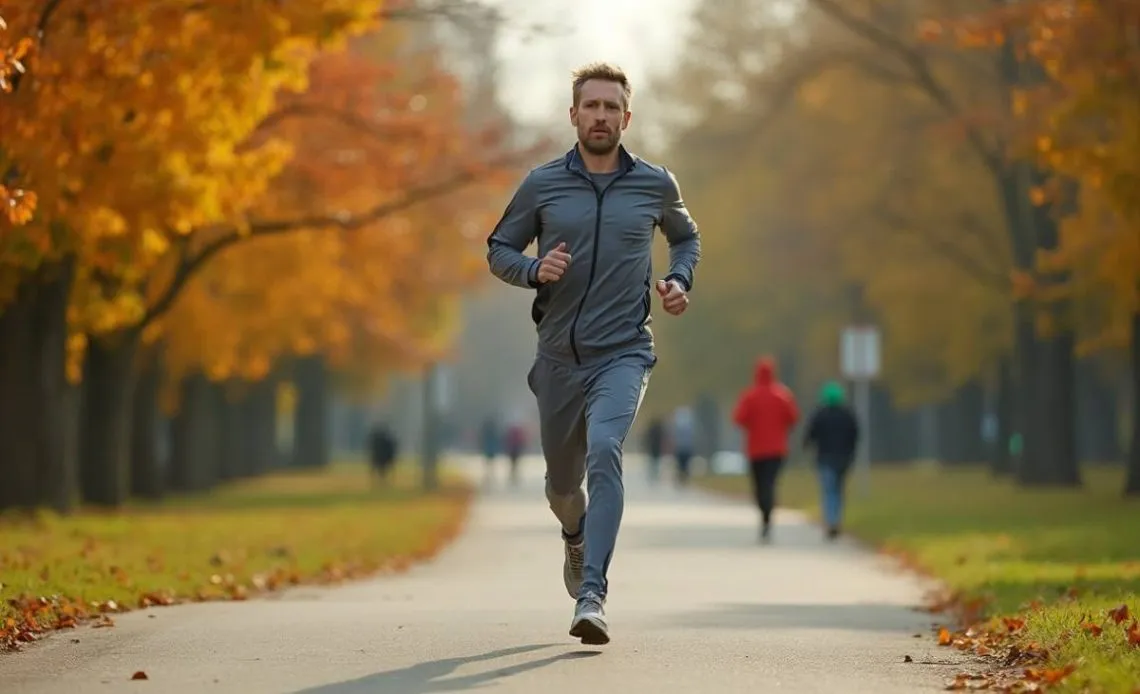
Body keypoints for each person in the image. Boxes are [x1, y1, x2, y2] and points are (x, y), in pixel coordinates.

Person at [485, 61, 701, 645]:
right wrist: (534, 269)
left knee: (606, 449)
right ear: (573, 114)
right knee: (561, 487)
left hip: (624, 352)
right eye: (592, 106)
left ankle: (593, 595)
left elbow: (686, 237)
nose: (601, 116)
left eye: (612, 107)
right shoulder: (542, 184)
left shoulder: (655, 184)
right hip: (557, 358)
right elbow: (498, 247)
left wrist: (680, 279)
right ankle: (575, 536)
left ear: (626, 117)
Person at [731, 356, 799, 542]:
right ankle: (768, 514)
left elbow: (738, 418)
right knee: (770, 483)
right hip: (777, 450)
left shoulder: (750, 396)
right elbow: (793, 417)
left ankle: (765, 513)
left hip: (756, 450)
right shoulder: (783, 395)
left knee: (759, 486)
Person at [803, 381, 860, 540]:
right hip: (844, 459)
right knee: (839, 490)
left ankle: (830, 520)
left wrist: (806, 446)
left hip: (825, 458)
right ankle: (836, 520)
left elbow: (810, 434)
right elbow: (855, 435)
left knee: (828, 490)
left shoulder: (820, 414)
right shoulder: (847, 415)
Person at [368, 422, 398, 488]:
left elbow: (372, 449)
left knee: (379, 470)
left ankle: (378, 482)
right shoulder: (387, 440)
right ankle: (381, 482)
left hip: (379, 457)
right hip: (383, 458)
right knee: (383, 471)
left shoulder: (377, 440)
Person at [671, 406, 696, 486]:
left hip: (681, 448)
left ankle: (681, 479)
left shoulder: (678, 427)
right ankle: (683, 479)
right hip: (686, 448)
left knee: (681, 465)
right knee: (684, 465)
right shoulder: (689, 427)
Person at [504, 421, 527, 486]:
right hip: (516, 450)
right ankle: (514, 476)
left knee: (512, 464)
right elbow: (521, 441)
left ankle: (512, 476)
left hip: (512, 450)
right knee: (515, 464)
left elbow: (507, 441)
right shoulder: (517, 433)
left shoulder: (510, 433)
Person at [644, 417, 666, 483]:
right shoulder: (660, 430)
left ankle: (653, 474)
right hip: (657, 448)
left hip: (652, 447)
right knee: (656, 461)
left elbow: (647, 439)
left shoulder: (652, 430)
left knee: (652, 461)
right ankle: (656, 474)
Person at [479, 417, 501, 483]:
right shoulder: (494, 431)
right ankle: (491, 473)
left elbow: (482, 439)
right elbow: (497, 439)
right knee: (491, 461)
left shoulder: (485, 431)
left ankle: (487, 474)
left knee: (487, 461)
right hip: (492, 448)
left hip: (487, 448)